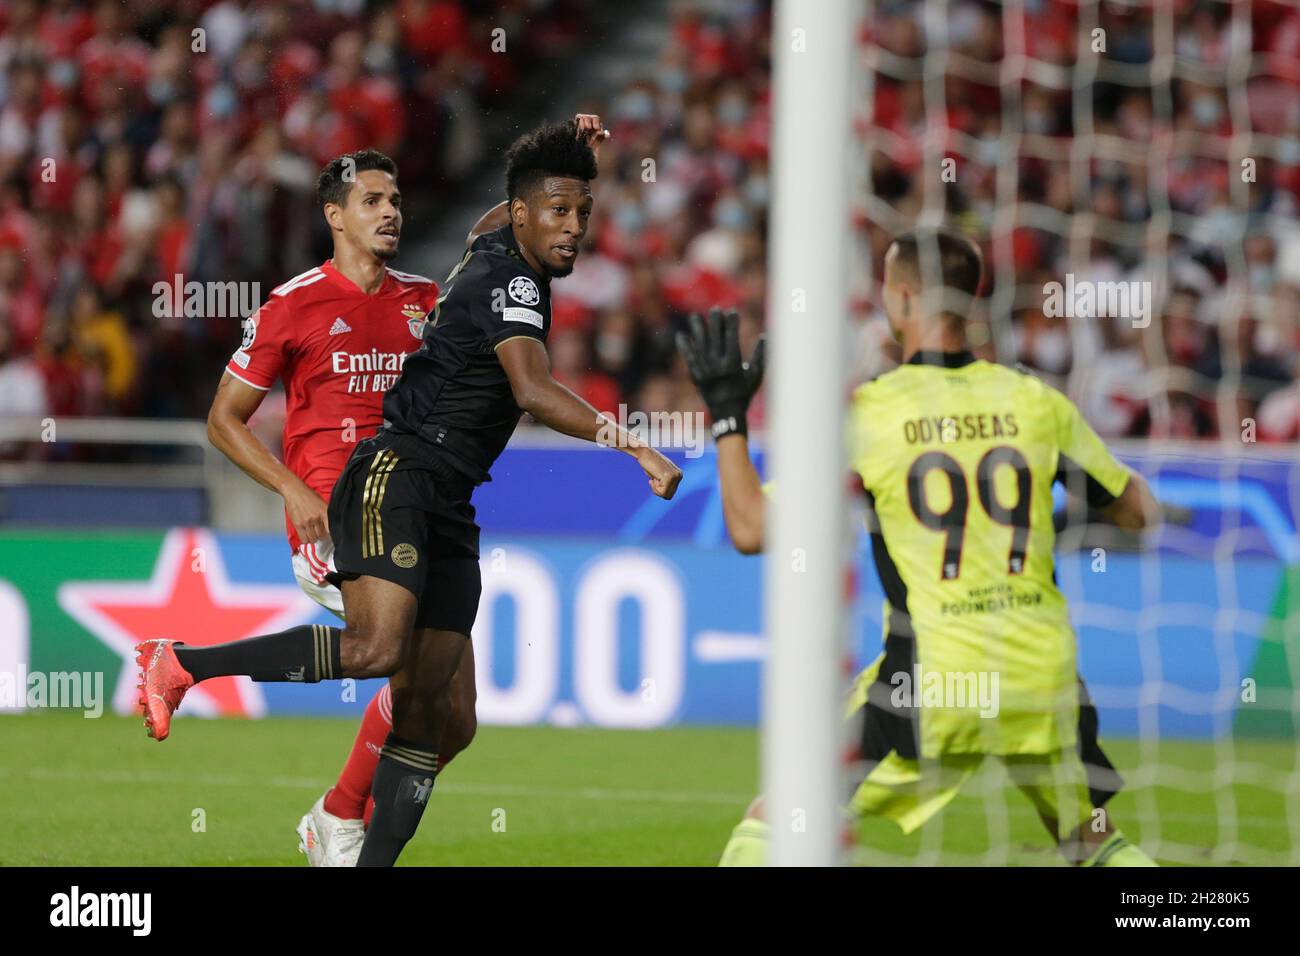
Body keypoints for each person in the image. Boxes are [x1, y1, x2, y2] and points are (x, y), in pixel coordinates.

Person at [137, 119, 682, 867]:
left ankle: (338, 816)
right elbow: (222, 422)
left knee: (450, 719)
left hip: (432, 504)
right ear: (335, 216)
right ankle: (200, 679)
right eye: (372, 201)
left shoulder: (431, 296)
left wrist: (560, 145)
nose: (391, 212)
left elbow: (506, 227)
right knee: (379, 649)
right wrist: (294, 491)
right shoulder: (292, 306)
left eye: (396, 199)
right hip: (347, 505)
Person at [677, 228, 1158, 867]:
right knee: (1091, 842)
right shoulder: (1036, 402)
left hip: (939, 681)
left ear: (900, 298)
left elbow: (751, 529)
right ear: (974, 296)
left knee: (777, 822)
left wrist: (728, 415)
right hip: (1043, 675)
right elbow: (1139, 514)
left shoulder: (869, 414)